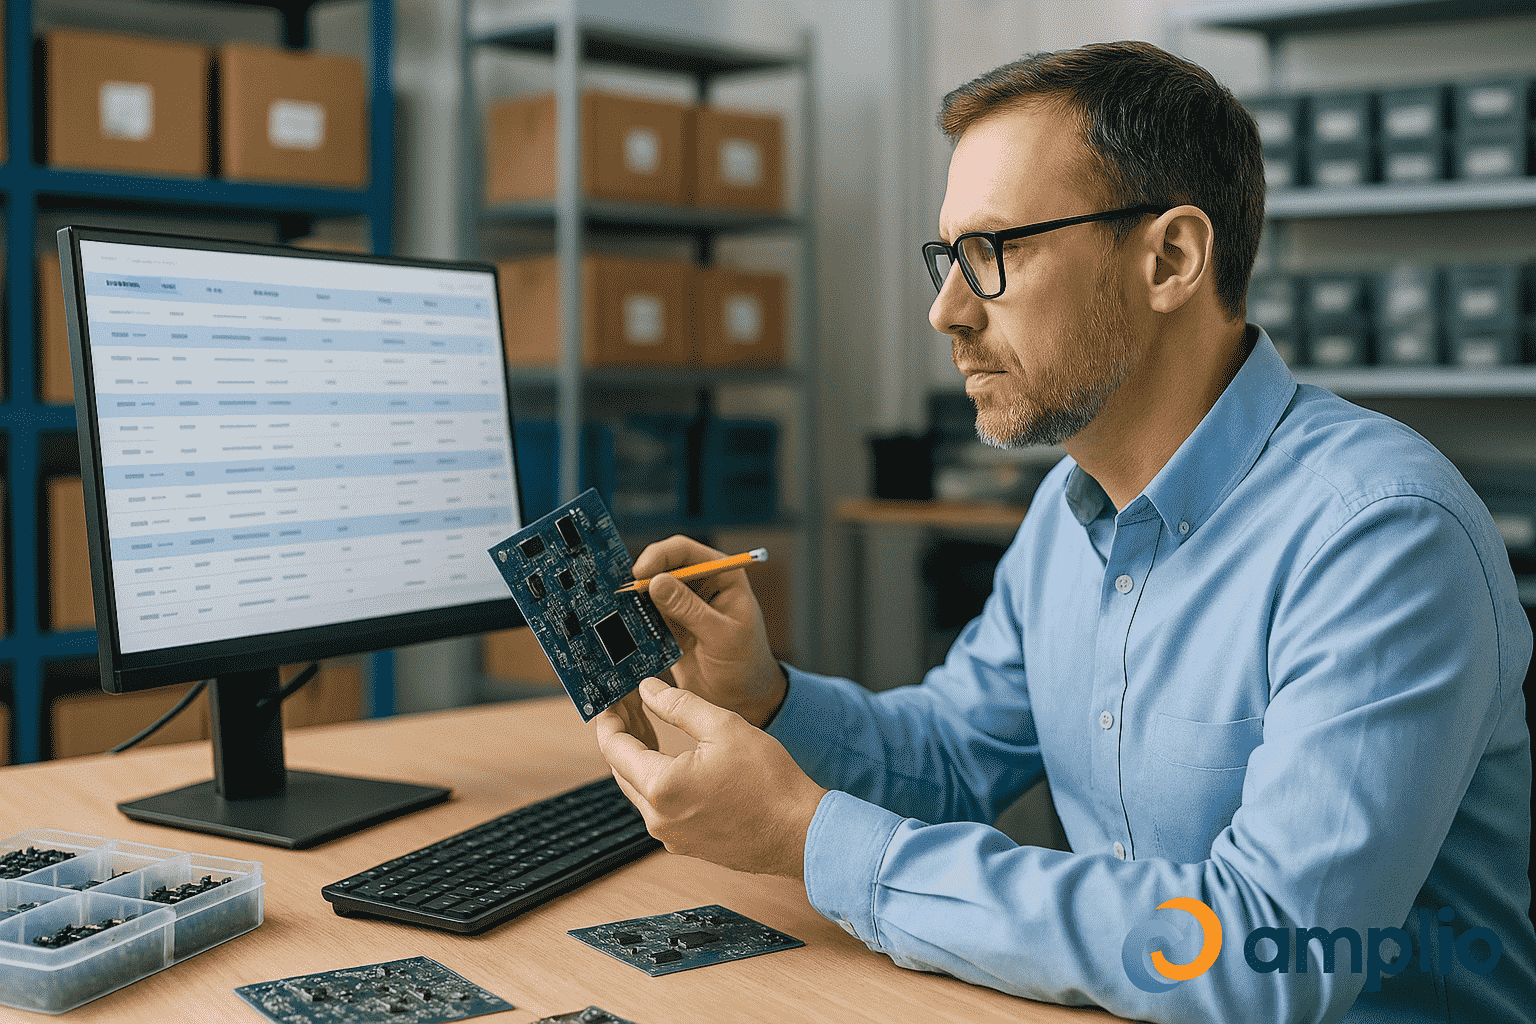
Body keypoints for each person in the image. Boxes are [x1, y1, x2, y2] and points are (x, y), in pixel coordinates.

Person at [594, 40, 1536, 1023]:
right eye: (947, 257)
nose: (945, 311)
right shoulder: (1067, 506)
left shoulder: (1382, 538)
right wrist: (768, 694)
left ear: (1170, 257)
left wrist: (811, 837)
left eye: (992, 254)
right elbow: (956, 755)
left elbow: (1270, 951)